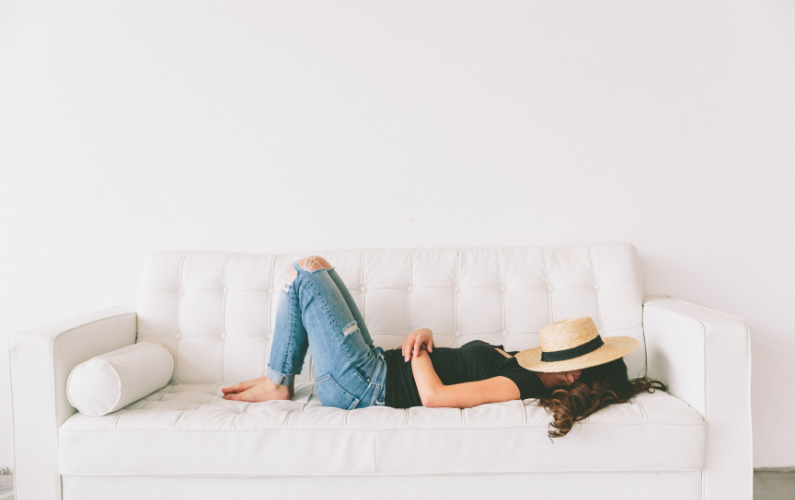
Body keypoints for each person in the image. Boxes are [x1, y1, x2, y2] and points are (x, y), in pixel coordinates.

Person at [222, 256, 665, 437]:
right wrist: (427, 340)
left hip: (365, 388)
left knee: (304, 271)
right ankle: (276, 379)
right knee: (317, 267)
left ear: (573, 374)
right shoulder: (519, 364)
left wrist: (417, 347)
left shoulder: (518, 384)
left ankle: (278, 383)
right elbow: (454, 369)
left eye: (574, 356)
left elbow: (436, 398)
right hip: (375, 367)